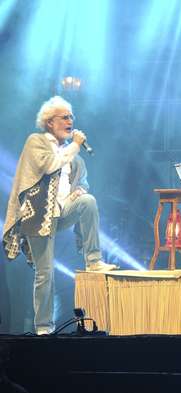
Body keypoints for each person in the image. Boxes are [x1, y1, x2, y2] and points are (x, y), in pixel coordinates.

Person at [2, 96, 118, 335]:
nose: (70, 121)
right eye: (64, 117)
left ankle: (93, 260)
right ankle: (44, 327)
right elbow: (49, 166)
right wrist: (75, 145)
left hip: (62, 211)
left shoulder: (73, 156)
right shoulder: (36, 142)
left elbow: (83, 181)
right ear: (49, 122)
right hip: (37, 216)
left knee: (88, 201)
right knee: (45, 273)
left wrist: (79, 190)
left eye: (71, 116)